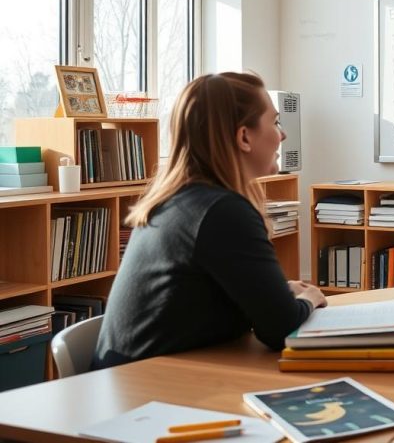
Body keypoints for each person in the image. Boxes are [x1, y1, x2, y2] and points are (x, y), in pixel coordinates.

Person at [93, 72, 326, 369]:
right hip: (146, 392)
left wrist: (279, 294)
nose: (282, 135)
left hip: (135, 380)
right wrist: (310, 298)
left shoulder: (180, 200)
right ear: (244, 136)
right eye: (275, 122)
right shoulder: (223, 211)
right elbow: (280, 329)